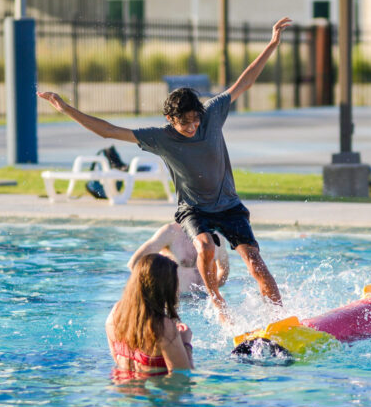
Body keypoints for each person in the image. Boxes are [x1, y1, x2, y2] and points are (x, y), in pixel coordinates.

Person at [39, 17, 291, 323]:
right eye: (185, 122)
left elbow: (244, 83)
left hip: (229, 205)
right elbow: (108, 131)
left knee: (255, 263)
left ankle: (282, 318)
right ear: (171, 120)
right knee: (205, 247)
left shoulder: (211, 114)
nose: (193, 126)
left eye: (195, 119)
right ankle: (217, 303)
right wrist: (66, 109)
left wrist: (272, 44)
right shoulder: (160, 138)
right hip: (193, 209)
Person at [106, 253, 193, 377]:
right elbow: (183, 376)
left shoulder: (115, 313)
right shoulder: (163, 327)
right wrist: (186, 343)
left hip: (120, 392)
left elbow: (117, 359)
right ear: (165, 288)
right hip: (155, 393)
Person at [128, 222, 229, 295]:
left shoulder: (217, 235)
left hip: (205, 303)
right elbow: (135, 262)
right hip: (177, 302)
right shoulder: (171, 232)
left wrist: (212, 291)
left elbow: (224, 270)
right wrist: (154, 291)